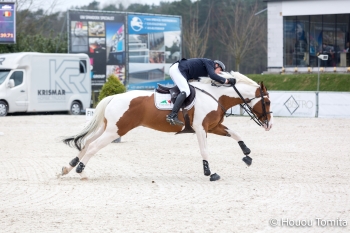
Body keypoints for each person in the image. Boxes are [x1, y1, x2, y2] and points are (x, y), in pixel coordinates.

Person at [166, 58, 236, 126]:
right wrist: (227, 81)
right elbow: (213, 76)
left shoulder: (206, 70)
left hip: (181, 70)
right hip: (177, 69)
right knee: (186, 91)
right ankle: (172, 115)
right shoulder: (210, 63)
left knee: (189, 90)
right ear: (216, 65)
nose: (219, 73)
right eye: (220, 70)